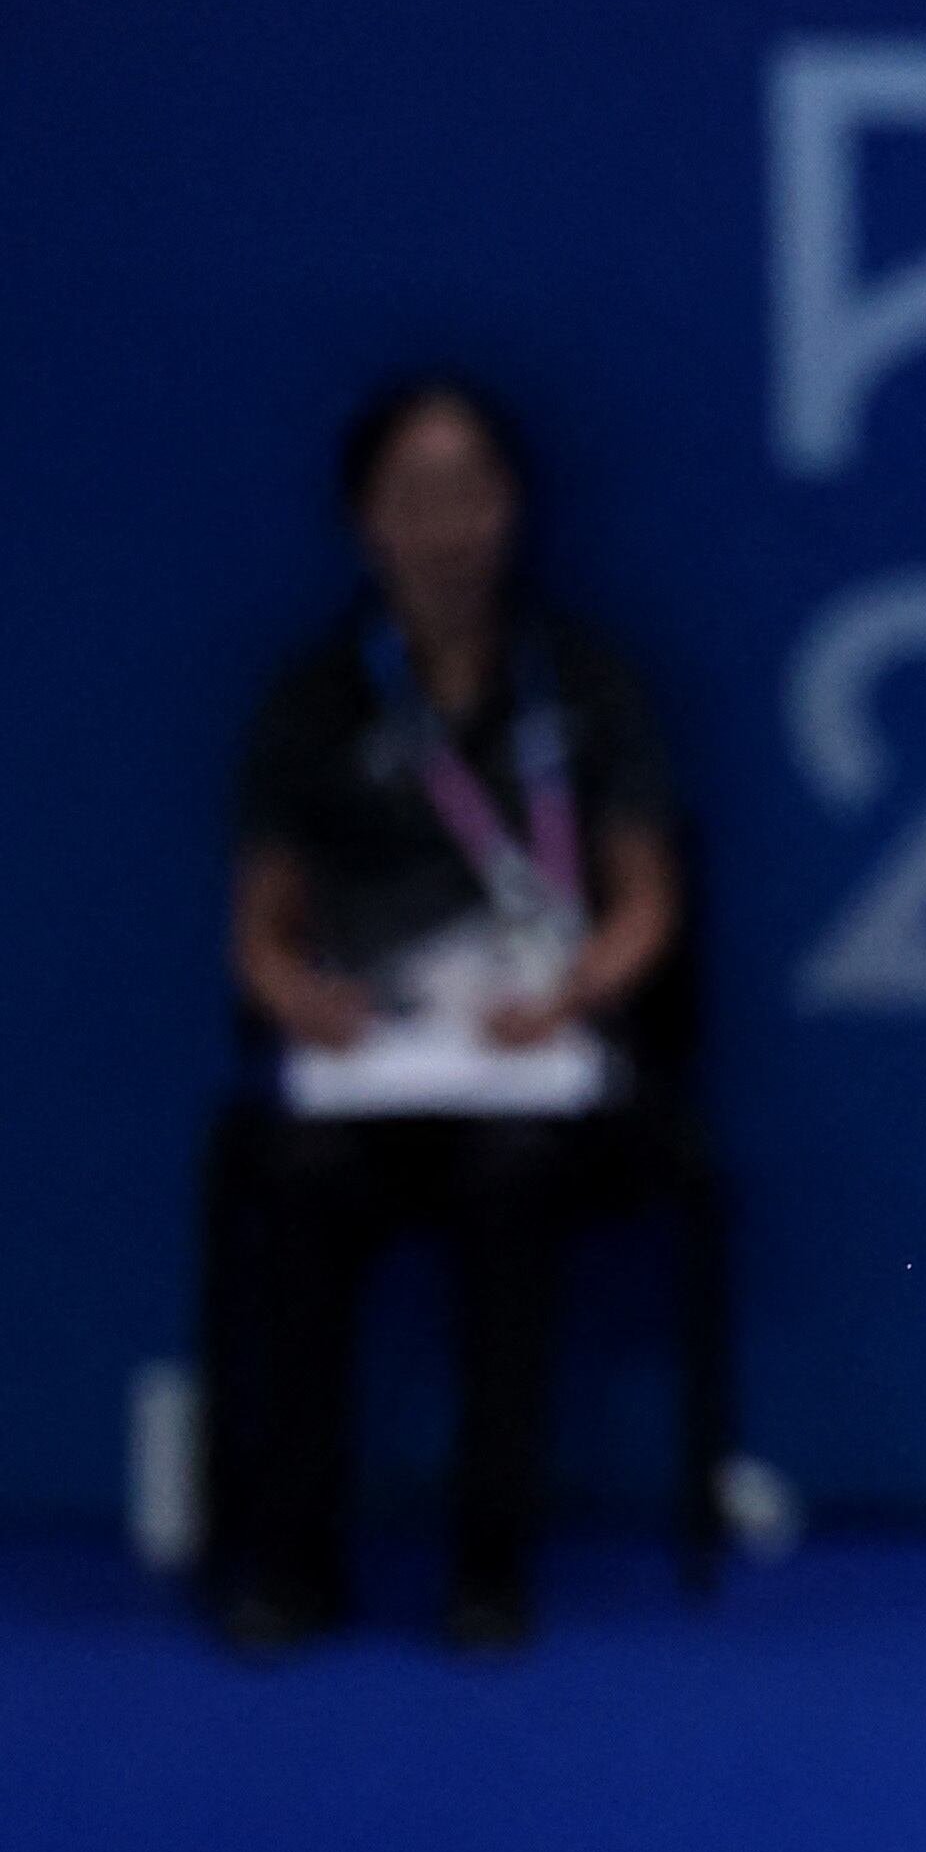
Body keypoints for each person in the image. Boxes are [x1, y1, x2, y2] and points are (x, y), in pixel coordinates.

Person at [216, 380, 682, 1653]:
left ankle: (490, 1563)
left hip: (537, 1054)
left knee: (513, 1181)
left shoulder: (581, 682)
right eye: (416, 497)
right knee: (300, 1185)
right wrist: (296, 998)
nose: (448, 524)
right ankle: (293, 1561)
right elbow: (259, 924)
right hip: (371, 1061)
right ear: (366, 518)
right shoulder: (316, 699)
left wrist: (573, 992)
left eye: (471, 491)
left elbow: (648, 901)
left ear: (512, 506)